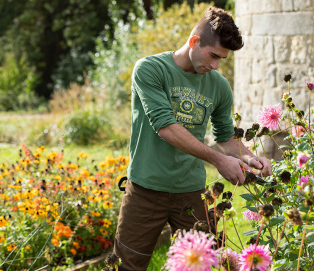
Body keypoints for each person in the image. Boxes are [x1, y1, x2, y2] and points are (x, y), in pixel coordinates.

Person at [111, 6, 272, 271]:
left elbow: (226, 137)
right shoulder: (150, 69)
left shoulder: (219, 86)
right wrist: (219, 160)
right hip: (145, 188)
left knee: (207, 265)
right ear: (194, 41)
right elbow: (165, 127)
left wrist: (251, 158)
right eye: (213, 55)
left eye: (222, 59)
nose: (216, 65)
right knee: (126, 266)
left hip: (192, 191)